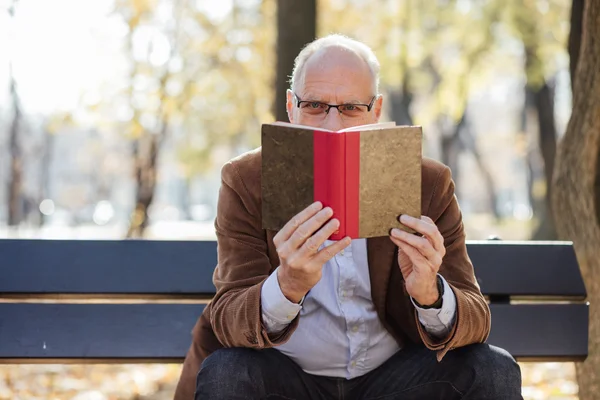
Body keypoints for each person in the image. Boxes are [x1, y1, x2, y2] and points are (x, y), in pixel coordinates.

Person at [174, 34, 522, 400]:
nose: (332, 127)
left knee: (492, 369)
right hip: (286, 377)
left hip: (393, 380)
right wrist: (287, 286)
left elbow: (476, 318)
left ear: (376, 110)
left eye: (352, 108)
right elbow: (228, 315)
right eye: (315, 105)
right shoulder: (247, 180)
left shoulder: (427, 183)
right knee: (228, 373)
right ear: (291, 107)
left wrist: (430, 294)